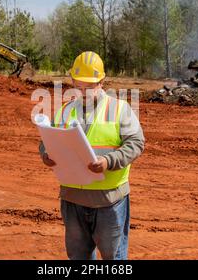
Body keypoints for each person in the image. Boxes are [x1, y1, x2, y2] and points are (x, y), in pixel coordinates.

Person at [39, 51, 145, 260]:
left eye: (89, 87)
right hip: (72, 200)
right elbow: (47, 139)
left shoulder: (119, 109)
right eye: (78, 87)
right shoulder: (65, 110)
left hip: (109, 201)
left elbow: (136, 143)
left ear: (101, 82)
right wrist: (45, 153)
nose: (83, 92)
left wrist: (109, 161)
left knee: (114, 258)